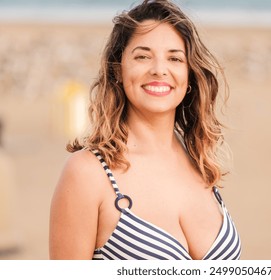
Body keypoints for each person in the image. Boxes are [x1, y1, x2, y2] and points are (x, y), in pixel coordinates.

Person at [49, 0, 241, 260]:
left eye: (174, 58)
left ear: (189, 75)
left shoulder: (201, 162)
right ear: (118, 69)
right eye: (142, 56)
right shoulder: (87, 174)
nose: (159, 70)